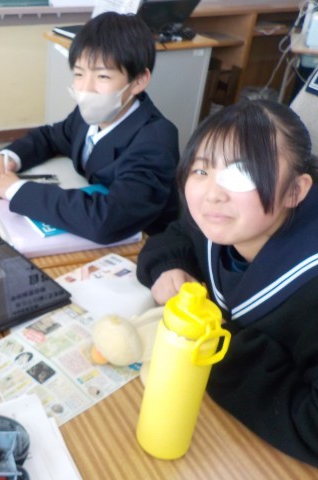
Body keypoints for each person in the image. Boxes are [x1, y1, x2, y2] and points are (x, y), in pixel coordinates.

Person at [136, 99, 318, 466]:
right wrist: (169, 267)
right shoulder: (222, 220)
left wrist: (214, 345)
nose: (212, 193)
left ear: (295, 191)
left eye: (243, 173)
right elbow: (176, 235)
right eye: (202, 170)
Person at [0, 12, 179, 244]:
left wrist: (17, 190)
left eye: (102, 76)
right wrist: (11, 156)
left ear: (138, 80)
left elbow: (107, 219)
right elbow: (51, 137)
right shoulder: (91, 113)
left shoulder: (156, 140)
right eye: (79, 74)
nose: (86, 88)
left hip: (142, 246)